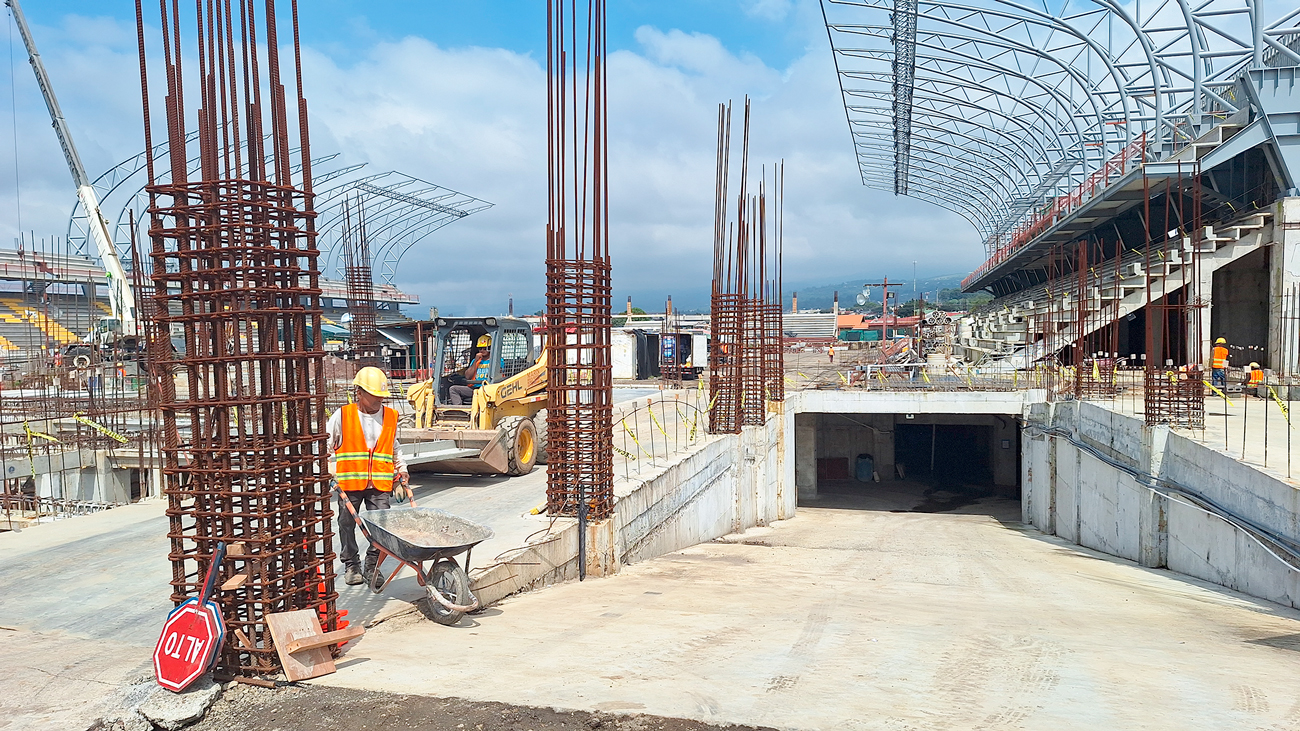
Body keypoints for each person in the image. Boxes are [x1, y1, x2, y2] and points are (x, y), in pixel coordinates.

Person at [328, 366, 409, 586]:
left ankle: (373, 566)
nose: (378, 401)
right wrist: (328, 470)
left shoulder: (390, 416)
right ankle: (351, 565)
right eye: (374, 396)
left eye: (381, 397)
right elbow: (326, 446)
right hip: (350, 481)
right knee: (346, 523)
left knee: (381, 525)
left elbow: (394, 447)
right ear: (360, 393)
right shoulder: (342, 415)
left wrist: (401, 471)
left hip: (380, 482)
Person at [448, 334, 492, 405]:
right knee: (453, 389)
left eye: (484, 348)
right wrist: (475, 361)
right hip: (474, 388)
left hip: (489, 389)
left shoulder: (496, 361)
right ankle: (460, 410)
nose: (482, 350)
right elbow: (468, 376)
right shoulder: (476, 361)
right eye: (480, 348)